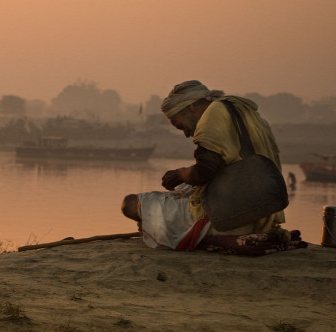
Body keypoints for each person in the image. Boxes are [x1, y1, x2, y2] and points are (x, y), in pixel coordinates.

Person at [121, 80, 288, 250]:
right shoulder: (243, 110)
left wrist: (179, 174)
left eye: (180, 125)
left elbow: (203, 172)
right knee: (184, 190)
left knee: (131, 203)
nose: (186, 133)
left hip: (229, 217)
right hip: (260, 215)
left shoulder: (214, 113)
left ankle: (186, 231)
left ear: (191, 107)